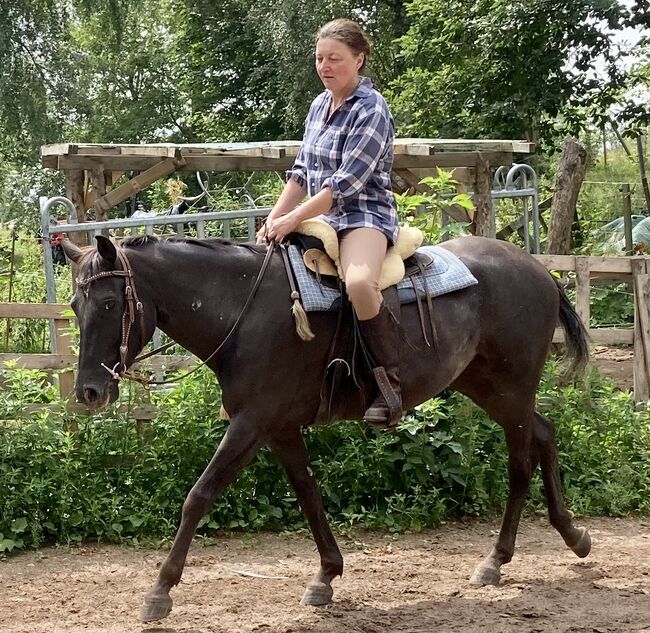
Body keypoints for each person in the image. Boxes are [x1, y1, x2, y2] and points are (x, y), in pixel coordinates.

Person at [257, 18, 401, 427]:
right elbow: (301, 173)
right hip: (318, 217)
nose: (325, 66)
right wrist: (272, 220)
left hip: (362, 216)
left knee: (358, 283)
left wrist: (292, 219)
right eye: (320, 58)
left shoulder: (372, 109)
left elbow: (345, 185)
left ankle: (389, 382)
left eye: (334, 58)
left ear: (359, 59)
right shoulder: (319, 106)